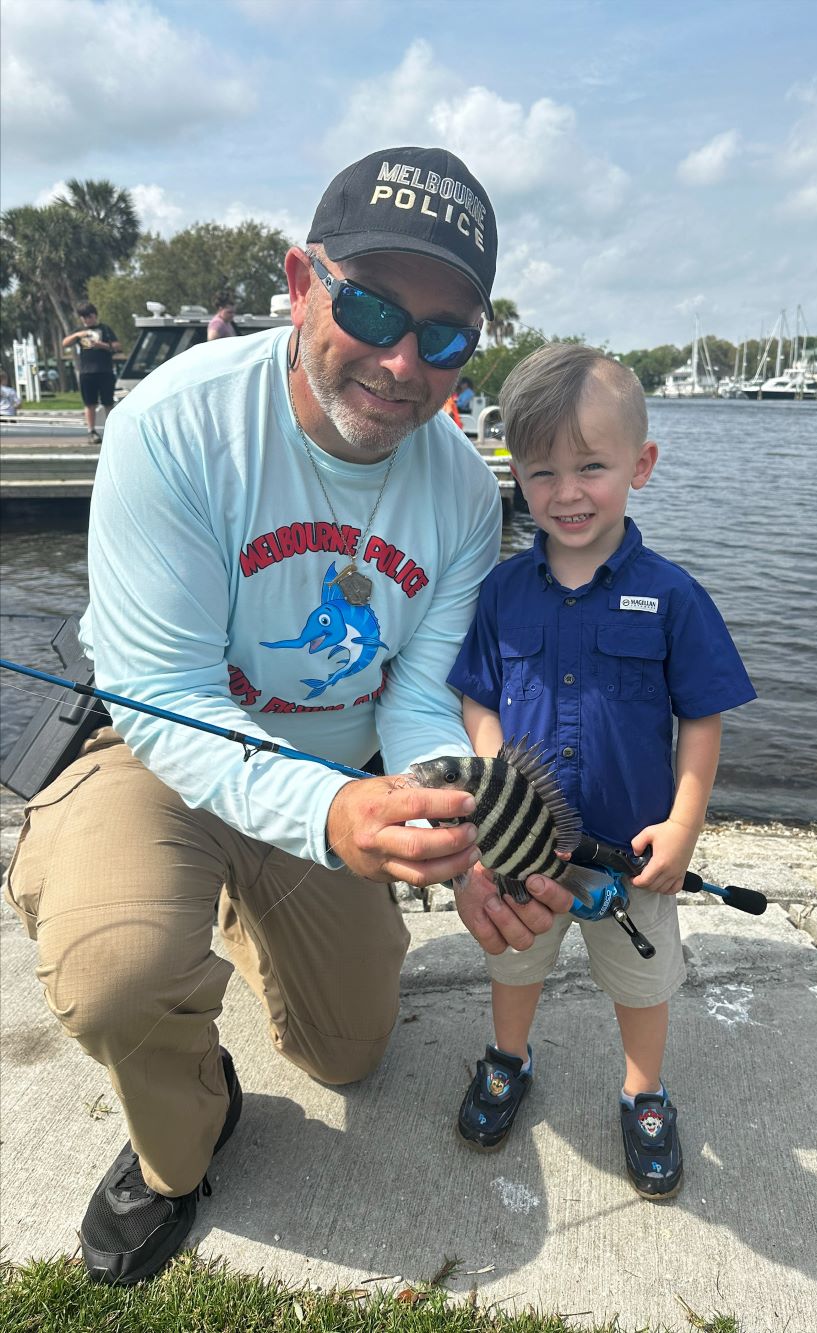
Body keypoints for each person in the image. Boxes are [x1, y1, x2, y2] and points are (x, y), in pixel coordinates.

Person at [5, 145, 575, 1285]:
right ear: (298, 281)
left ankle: (248, 922)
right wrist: (335, 815)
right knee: (119, 966)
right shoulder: (175, 425)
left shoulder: (464, 485)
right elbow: (164, 694)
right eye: (367, 304)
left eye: (447, 335)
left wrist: (446, 820)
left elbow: (417, 687)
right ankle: (180, 1137)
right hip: (150, 752)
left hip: (343, 764)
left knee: (351, 1054)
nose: (402, 360)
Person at [446, 342, 756, 1201]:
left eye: (592, 466)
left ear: (641, 466)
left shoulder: (673, 595)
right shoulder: (503, 591)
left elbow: (702, 716)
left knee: (642, 978)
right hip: (523, 846)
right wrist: (492, 762)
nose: (567, 491)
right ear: (515, 473)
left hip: (633, 847)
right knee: (515, 961)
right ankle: (509, 1058)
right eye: (542, 471)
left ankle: (642, 1090)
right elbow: (477, 697)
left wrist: (685, 823)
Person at [62, 302, 120, 441]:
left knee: (108, 402)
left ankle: (112, 431)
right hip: (87, 372)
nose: (87, 319)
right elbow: (65, 343)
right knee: (90, 403)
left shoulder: (105, 329)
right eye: (83, 317)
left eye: (89, 316)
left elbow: (117, 346)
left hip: (105, 370)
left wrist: (102, 345)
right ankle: (91, 431)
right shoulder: (79, 331)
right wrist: (77, 336)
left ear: (95, 315)